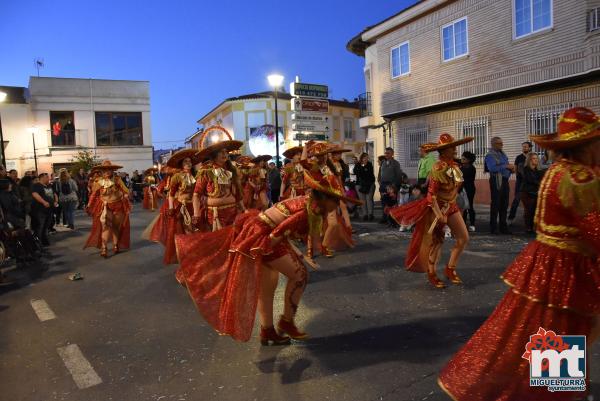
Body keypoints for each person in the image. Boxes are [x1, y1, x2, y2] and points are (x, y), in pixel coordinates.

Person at [438, 106, 600, 401]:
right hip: (566, 267)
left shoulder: (557, 171)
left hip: (547, 259)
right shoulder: (580, 178)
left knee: (542, 327)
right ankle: (550, 392)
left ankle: (547, 388)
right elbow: (596, 231)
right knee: (559, 328)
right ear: (587, 145)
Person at [174, 167, 362, 344]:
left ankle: (267, 331)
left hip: (262, 233)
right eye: (334, 200)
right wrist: (263, 248)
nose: (337, 204)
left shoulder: (308, 204)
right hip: (266, 237)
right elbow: (280, 231)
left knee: (268, 285)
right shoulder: (307, 210)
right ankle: (287, 322)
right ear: (323, 198)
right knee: (300, 275)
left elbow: (284, 231)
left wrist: (300, 254)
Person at [390, 134, 472, 289]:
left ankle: (450, 268)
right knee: (437, 242)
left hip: (451, 206)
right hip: (436, 208)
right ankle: (432, 272)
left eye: (454, 146)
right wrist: (439, 213)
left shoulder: (455, 166)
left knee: (463, 238)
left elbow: (456, 187)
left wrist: (452, 202)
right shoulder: (437, 168)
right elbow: (431, 195)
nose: (455, 149)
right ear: (444, 150)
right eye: (452, 147)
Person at [145, 149, 201, 265]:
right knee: (187, 230)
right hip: (181, 206)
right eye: (185, 162)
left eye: (190, 161)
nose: (188, 164)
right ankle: (188, 254)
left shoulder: (197, 176)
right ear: (181, 164)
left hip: (194, 206)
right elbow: (171, 194)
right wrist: (171, 207)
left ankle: (190, 252)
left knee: (195, 231)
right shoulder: (177, 177)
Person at [192, 139, 244, 232]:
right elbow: (196, 194)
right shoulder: (206, 171)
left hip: (233, 212)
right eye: (221, 152)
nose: (224, 154)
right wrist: (196, 214)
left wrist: (244, 209)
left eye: (226, 152)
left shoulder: (232, 171)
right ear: (214, 155)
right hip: (215, 215)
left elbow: (238, 194)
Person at [84, 161, 131, 258]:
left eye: (109, 169)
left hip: (118, 206)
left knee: (115, 227)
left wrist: (125, 195)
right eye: (104, 170)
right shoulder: (98, 181)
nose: (107, 172)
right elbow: (94, 194)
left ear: (112, 170)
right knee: (106, 226)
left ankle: (115, 245)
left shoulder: (117, 180)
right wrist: (89, 205)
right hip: (105, 206)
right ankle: (104, 248)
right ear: (101, 171)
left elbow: (126, 190)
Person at [485, 137, 515, 234]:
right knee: (496, 204)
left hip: (505, 180)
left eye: (502, 143)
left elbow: (504, 166)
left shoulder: (503, 154)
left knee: (504, 204)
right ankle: (493, 228)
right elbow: (492, 168)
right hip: (496, 180)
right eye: (499, 143)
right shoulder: (490, 155)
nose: (502, 145)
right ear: (493, 144)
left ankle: (503, 227)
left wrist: (511, 169)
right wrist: (506, 166)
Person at [508, 141, 532, 225]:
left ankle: (530, 221)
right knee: (516, 201)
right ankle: (510, 218)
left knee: (531, 202)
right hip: (520, 182)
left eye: (525, 147)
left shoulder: (533, 157)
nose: (524, 148)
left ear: (530, 148)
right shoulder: (518, 157)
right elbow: (515, 169)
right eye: (523, 147)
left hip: (530, 183)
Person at [520, 153, 545, 234]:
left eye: (536, 158)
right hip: (527, 192)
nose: (536, 160)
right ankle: (528, 228)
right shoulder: (526, 169)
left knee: (535, 210)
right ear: (529, 160)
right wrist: (540, 183)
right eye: (534, 158)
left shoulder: (537, 170)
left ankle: (533, 227)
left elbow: (540, 178)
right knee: (529, 211)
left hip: (535, 193)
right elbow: (531, 180)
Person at [30, 173, 57, 247]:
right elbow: (35, 194)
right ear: (42, 178)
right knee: (40, 226)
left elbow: (54, 194)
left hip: (49, 209)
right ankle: (38, 242)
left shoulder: (49, 185)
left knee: (46, 225)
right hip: (40, 209)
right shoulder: (37, 186)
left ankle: (44, 240)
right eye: (46, 177)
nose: (48, 178)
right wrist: (44, 202)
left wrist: (55, 201)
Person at [378, 147, 403, 223]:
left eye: (388, 153)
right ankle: (384, 217)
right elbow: (380, 172)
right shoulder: (383, 162)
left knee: (392, 202)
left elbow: (398, 175)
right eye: (385, 153)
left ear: (392, 154)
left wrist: (394, 185)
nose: (386, 154)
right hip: (383, 185)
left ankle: (392, 218)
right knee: (383, 202)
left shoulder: (396, 163)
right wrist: (379, 181)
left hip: (391, 185)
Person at [353, 152, 375, 222]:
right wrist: (363, 168)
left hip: (369, 184)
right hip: (360, 184)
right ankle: (365, 214)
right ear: (361, 158)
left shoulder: (369, 164)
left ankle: (370, 214)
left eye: (367, 157)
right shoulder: (358, 165)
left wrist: (364, 170)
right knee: (363, 200)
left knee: (369, 199)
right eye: (365, 157)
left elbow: (370, 174)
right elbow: (356, 172)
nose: (366, 159)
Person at [460, 151, 476, 232]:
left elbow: (465, 179)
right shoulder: (461, 167)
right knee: (463, 207)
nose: (461, 160)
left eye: (464, 159)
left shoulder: (471, 168)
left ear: (468, 160)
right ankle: (463, 223)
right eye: (462, 158)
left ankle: (472, 224)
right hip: (462, 189)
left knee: (469, 206)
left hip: (469, 189)